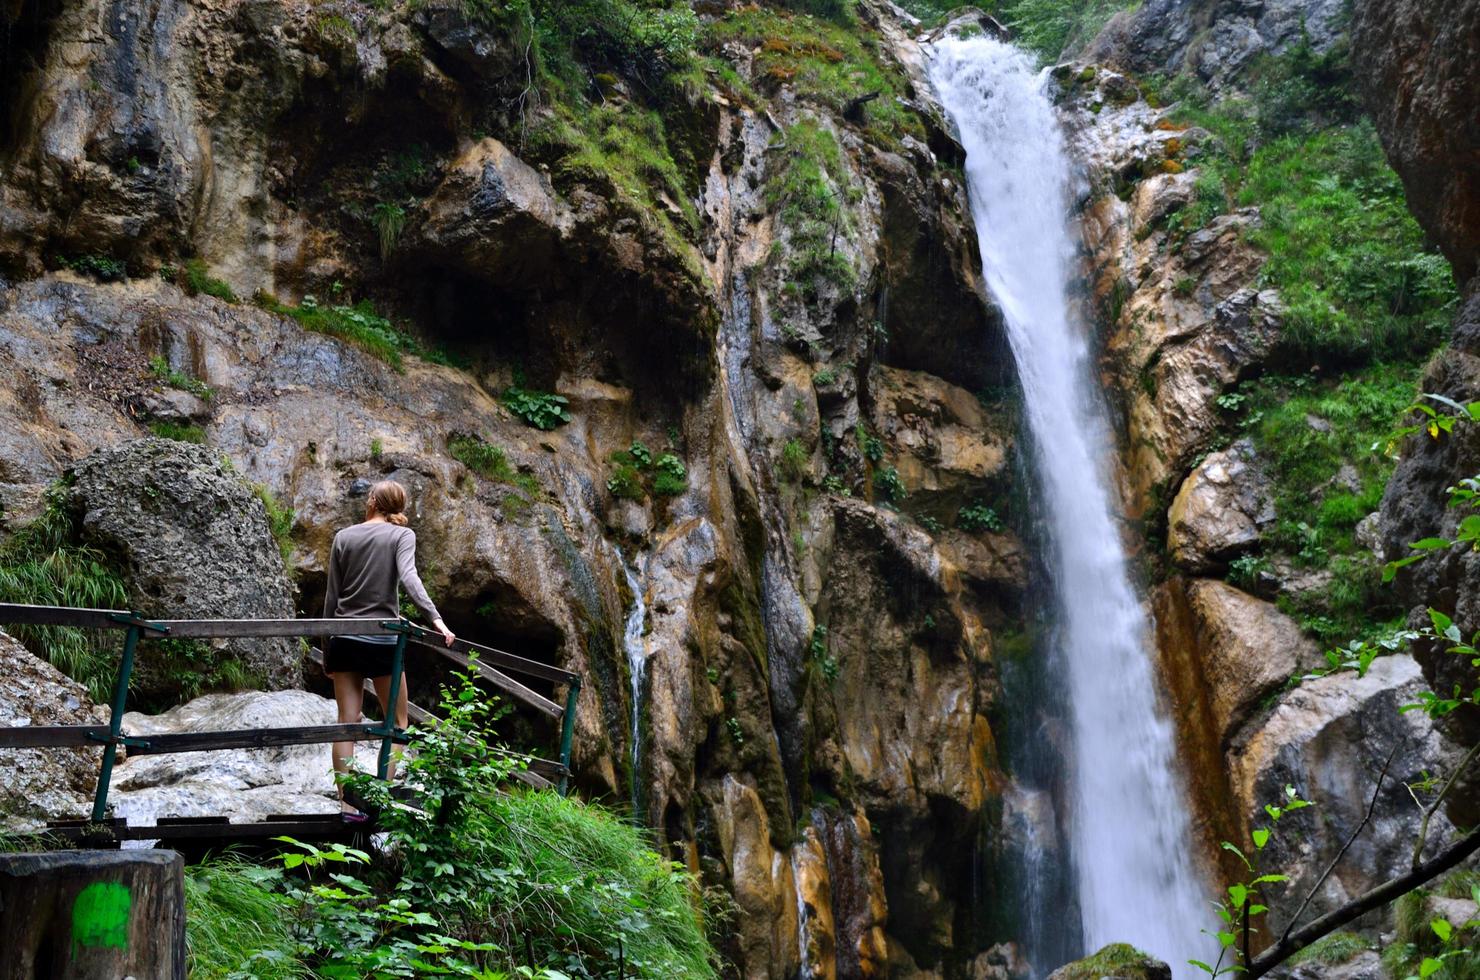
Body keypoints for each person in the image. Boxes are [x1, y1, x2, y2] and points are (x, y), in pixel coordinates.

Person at [321, 479, 455, 820]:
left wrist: (327, 649)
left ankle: (346, 802)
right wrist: (435, 620)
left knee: (345, 723)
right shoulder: (402, 536)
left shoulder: (343, 537)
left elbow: (331, 598)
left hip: (344, 638)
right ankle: (379, 795)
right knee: (397, 722)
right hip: (382, 640)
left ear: (371, 501)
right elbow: (410, 579)